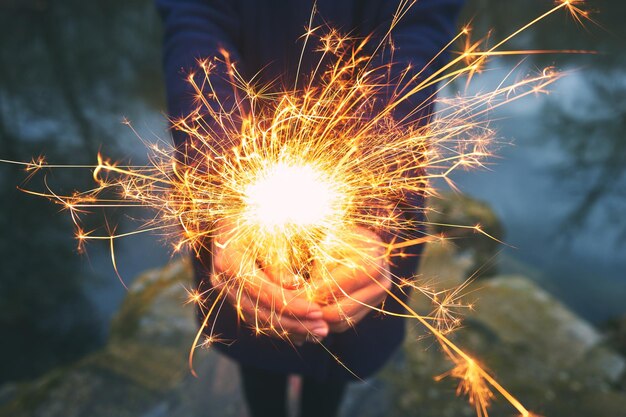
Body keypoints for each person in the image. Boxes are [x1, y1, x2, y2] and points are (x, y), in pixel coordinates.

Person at [155, 1, 464, 416]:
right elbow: (196, 20)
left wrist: (370, 207)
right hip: (239, 181)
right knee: (257, 339)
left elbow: (415, 32)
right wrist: (224, 186)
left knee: (336, 351)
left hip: (371, 181)